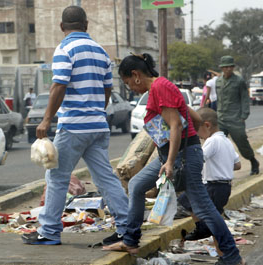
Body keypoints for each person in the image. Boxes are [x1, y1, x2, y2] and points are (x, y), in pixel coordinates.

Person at [103, 53, 245, 265]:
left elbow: (176, 125)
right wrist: (178, 152)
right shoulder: (162, 88)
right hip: (175, 154)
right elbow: (195, 119)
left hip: (180, 156)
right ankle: (130, 240)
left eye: (128, 82)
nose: (130, 88)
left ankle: (232, 256)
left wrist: (173, 160)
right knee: (137, 185)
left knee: (203, 207)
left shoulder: (160, 87)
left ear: (136, 75)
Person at [21, 5, 129, 246]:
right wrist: (97, 111)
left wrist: (47, 119)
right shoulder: (101, 52)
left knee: (56, 178)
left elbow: (58, 85)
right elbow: (108, 89)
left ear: (62, 27)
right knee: (105, 179)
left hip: (73, 127)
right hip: (98, 126)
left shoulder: (64, 49)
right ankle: (126, 227)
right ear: (86, 25)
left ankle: (48, 231)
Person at [178, 107, 241, 245]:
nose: (196, 134)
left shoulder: (212, 141)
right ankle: (223, 252)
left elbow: (198, 158)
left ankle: (201, 228)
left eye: (196, 129)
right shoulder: (226, 141)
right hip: (224, 187)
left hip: (213, 186)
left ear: (207, 125)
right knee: (215, 223)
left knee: (186, 199)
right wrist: (222, 164)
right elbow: (238, 165)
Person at [216, 55, 260, 175]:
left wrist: (243, 116)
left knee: (242, 142)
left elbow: (244, 99)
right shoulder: (218, 81)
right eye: (225, 67)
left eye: (230, 67)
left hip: (235, 118)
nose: (228, 69)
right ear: (222, 68)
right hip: (221, 118)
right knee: (219, 145)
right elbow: (218, 99)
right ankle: (222, 170)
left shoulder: (239, 81)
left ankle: (253, 161)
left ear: (233, 67)